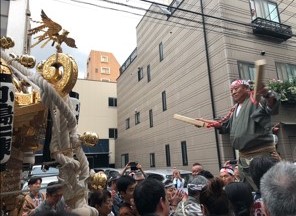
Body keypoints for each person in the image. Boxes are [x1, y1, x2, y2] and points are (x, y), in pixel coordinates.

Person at [197, 79, 280, 190]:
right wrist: (204, 122)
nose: (233, 92)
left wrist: (266, 93)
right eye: (231, 90)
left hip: (260, 156)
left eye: (236, 89)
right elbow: (224, 125)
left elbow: (271, 105)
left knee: (268, 188)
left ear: (246, 89)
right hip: (243, 158)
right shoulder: (235, 108)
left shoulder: (255, 99)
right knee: (247, 191)